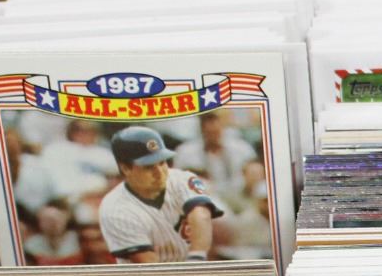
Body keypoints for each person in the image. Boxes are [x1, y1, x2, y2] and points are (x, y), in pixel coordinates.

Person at [97, 125, 223, 263]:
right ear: (125, 168)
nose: (159, 172)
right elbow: (148, 264)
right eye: (149, 167)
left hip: (193, 264)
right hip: (149, 274)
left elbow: (201, 215)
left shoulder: (182, 179)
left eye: (162, 162)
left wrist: (196, 257)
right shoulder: (115, 208)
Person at [174, 111, 258, 207]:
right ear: (202, 131)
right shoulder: (185, 152)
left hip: (241, 196)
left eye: (216, 132)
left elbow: (256, 174)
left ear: (222, 128)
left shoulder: (242, 148)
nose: (213, 135)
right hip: (206, 198)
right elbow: (178, 180)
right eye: (209, 132)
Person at [22, 200, 83, 265]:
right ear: (39, 223)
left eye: (58, 219)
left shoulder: (79, 239)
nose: (53, 224)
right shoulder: (31, 244)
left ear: (66, 220)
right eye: (48, 220)